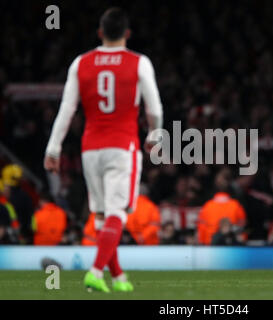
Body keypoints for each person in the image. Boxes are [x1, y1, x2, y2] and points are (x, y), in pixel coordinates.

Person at [44, 7, 163, 292]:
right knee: (117, 213)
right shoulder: (139, 62)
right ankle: (96, 271)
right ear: (127, 34)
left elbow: (66, 109)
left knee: (101, 215)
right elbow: (155, 109)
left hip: (90, 149)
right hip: (122, 146)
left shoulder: (81, 63)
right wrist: (154, 137)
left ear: (100, 33)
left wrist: (53, 148)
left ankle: (119, 277)